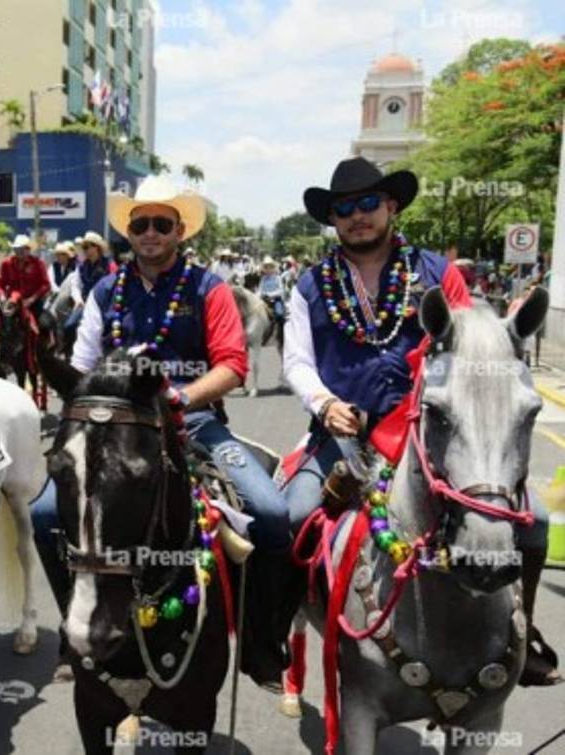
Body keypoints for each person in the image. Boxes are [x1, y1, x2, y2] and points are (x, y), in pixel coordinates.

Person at [284, 156, 557, 686]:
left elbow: (474, 348)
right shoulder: (311, 285)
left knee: (537, 520)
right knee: (291, 515)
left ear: (391, 206)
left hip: (429, 432)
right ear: (333, 219)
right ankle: (277, 630)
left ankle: (521, 633)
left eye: (368, 203)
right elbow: (296, 361)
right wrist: (323, 403)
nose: (357, 216)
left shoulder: (436, 272)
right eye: (344, 209)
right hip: (341, 433)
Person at [31, 175, 292, 687]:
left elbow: (233, 365)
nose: (149, 232)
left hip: (191, 422)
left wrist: (181, 398)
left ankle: (260, 643)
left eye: (161, 224)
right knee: (42, 514)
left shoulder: (209, 289)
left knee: (271, 513)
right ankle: (72, 627)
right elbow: (82, 364)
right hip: (116, 428)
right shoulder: (105, 290)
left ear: (179, 232)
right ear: (128, 232)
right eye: (140, 224)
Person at [63, 231, 116, 342]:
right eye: (84, 247)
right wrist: (78, 300)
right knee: (69, 326)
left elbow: (116, 285)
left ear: (96, 248)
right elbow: (75, 285)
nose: (85, 250)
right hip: (85, 303)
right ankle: (71, 350)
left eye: (87, 247)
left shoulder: (110, 265)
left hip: (104, 304)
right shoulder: (81, 266)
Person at [0, 234, 50, 319]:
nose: (19, 252)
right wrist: (2, 297)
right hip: (11, 301)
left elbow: (46, 285)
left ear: (28, 249)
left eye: (22, 249)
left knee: (46, 323)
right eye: (17, 249)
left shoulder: (38, 263)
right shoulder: (7, 264)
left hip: (33, 302)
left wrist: (32, 299)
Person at [257, 255, 286, 322]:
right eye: (266, 267)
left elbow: (281, 291)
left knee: (279, 314)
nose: (268, 269)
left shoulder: (278, 278)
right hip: (264, 301)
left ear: (273, 268)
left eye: (269, 267)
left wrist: (270, 294)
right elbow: (260, 290)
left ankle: (282, 327)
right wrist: (258, 295)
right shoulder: (263, 279)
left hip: (276, 300)